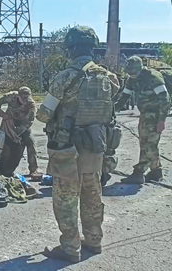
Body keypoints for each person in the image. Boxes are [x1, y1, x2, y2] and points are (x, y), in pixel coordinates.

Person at [36, 26, 119, 263]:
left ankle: (70, 249)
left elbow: (44, 114)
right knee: (93, 195)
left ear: (70, 49)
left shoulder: (65, 77)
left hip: (68, 150)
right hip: (96, 147)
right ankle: (94, 241)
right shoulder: (108, 77)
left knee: (66, 200)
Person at [117, 56, 170, 184]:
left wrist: (161, 120)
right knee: (146, 143)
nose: (132, 75)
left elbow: (165, 100)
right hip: (144, 115)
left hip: (155, 115)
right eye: (130, 72)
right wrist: (112, 110)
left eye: (134, 72)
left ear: (140, 68)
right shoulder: (132, 80)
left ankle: (139, 172)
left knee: (148, 144)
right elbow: (124, 97)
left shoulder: (153, 78)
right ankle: (156, 171)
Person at [0, 86, 39, 176]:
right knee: (0, 143)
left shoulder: (31, 105)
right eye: (23, 99)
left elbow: (29, 121)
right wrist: (3, 114)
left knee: (30, 142)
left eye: (27, 99)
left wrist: (18, 132)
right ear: (18, 96)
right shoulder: (10, 97)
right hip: (8, 124)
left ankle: (33, 169)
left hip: (23, 126)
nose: (25, 102)